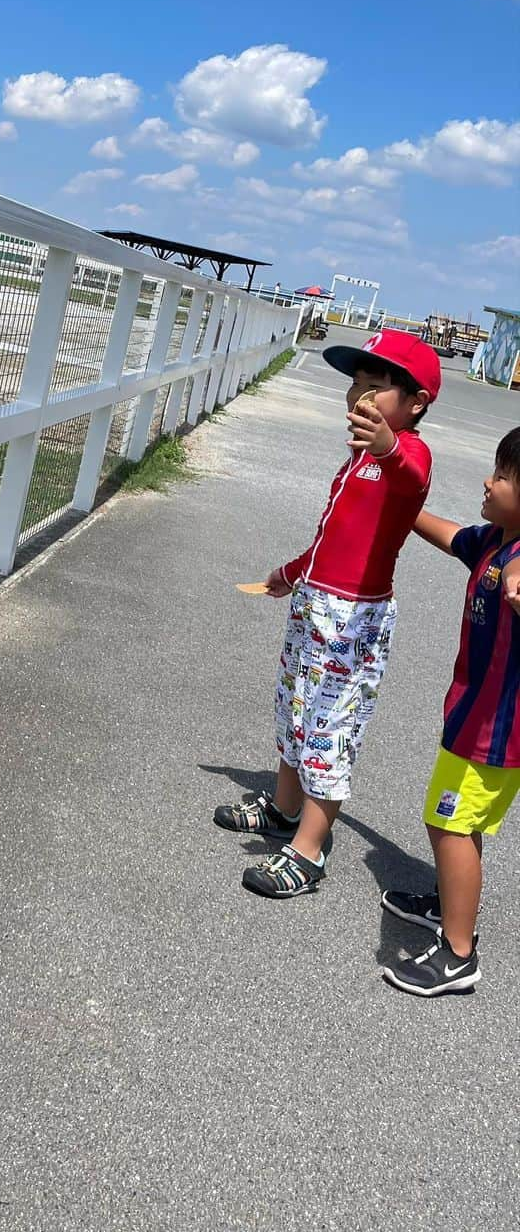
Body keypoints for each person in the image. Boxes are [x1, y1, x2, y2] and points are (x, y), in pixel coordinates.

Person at [214, 330, 441, 897]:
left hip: (354, 619)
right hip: (314, 603)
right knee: (296, 710)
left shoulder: (407, 453)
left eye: (376, 387)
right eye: (355, 385)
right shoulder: (358, 460)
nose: (359, 397)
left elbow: (411, 483)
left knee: (328, 727)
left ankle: (309, 851)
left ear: (415, 403)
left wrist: (388, 445)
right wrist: (291, 573)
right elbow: (334, 534)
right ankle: (286, 808)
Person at [382, 428, 520, 996]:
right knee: (462, 824)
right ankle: (447, 903)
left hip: (496, 732)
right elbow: (445, 533)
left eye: (505, 476)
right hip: (469, 717)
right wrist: (400, 501)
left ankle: (459, 955)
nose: (489, 481)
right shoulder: (492, 539)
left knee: (447, 822)